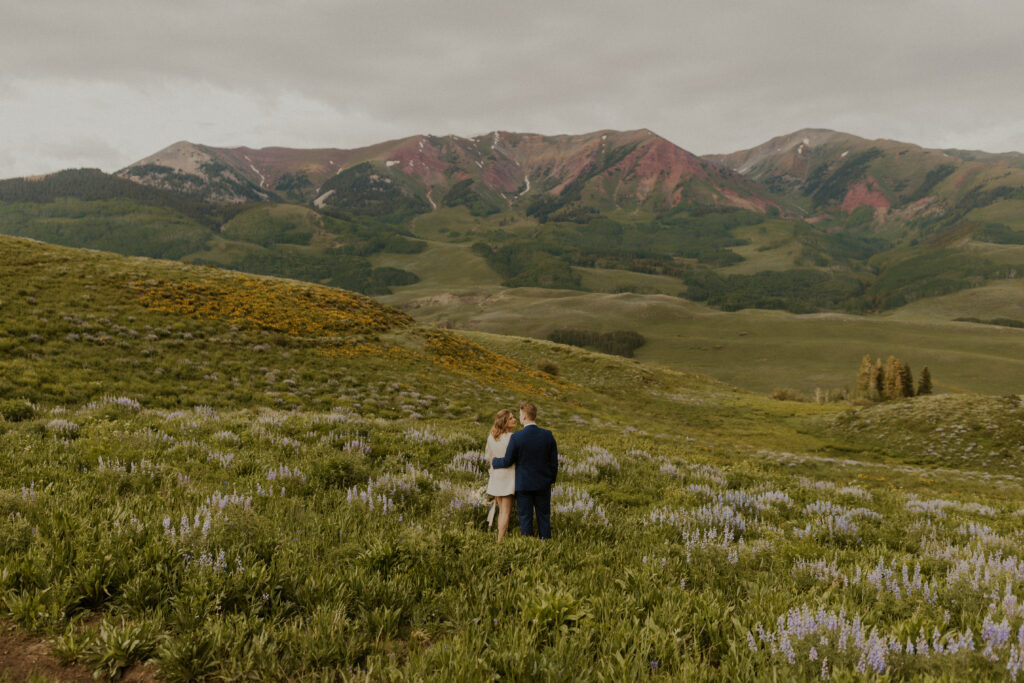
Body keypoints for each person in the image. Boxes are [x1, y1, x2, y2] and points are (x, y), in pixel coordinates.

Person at [491, 401, 558, 539]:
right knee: (544, 516)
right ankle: (546, 543)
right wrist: (550, 479)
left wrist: (494, 461)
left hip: (524, 485)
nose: (519, 418)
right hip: (543, 484)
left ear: (525, 417)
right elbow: (554, 462)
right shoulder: (548, 435)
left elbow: (507, 461)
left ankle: (528, 546)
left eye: (520, 415)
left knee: (525, 517)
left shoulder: (517, 438)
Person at [484, 409, 517, 543]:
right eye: (510, 418)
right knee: (506, 511)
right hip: (509, 475)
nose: (514, 420)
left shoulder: (491, 437)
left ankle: (499, 537)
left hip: (497, 475)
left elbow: (489, 457)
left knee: (501, 509)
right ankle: (500, 540)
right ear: (504, 422)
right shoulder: (512, 437)